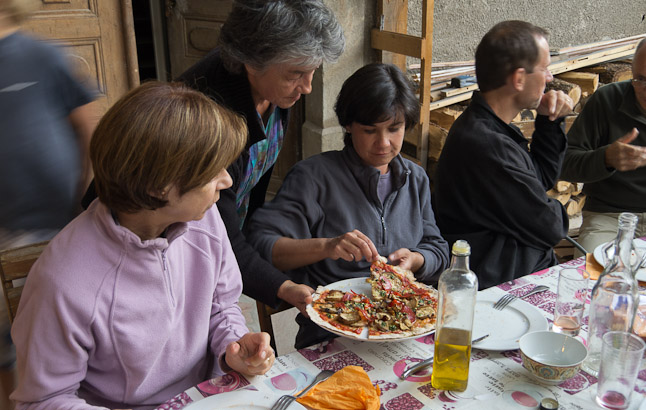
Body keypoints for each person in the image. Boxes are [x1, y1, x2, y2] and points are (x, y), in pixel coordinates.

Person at [11, 82, 275, 410]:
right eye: (211, 171)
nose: (227, 180)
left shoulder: (204, 218)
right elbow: (38, 404)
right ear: (160, 188)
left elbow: (221, 304)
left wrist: (232, 345)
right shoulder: (63, 281)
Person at [247, 63, 449, 349]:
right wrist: (327, 246)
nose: (384, 143)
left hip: (404, 330)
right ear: (348, 125)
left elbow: (437, 246)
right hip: (331, 335)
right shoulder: (314, 177)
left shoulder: (415, 179)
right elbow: (260, 245)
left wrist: (416, 260)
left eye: (395, 128)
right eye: (369, 130)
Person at [176, 0, 345, 314]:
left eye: (312, 72)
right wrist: (279, 286)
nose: (307, 87)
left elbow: (253, 187)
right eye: (296, 74)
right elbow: (218, 233)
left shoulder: (274, 91)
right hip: (182, 245)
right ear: (251, 62)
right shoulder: (213, 121)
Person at [0, 0, 96, 410]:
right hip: (5, 230)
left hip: (53, 222)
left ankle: (77, 409)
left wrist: (82, 193)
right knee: (6, 343)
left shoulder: (40, 54)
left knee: (60, 322)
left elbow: (88, 126)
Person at [434, 20, 573, 289]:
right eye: (544, 69)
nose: (550, 78)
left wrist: (549, 121)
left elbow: (541, 177)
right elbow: (551, 227)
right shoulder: (486, 144)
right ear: (519, 79)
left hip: (519, 273)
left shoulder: (490, 128)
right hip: (501, 288)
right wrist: (551, 207)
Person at [561, 33, 646, 252]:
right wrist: (606, 158)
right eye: (640, 79)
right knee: (590, 274)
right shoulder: (606, 99)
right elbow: (563, 163)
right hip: (609, 217)